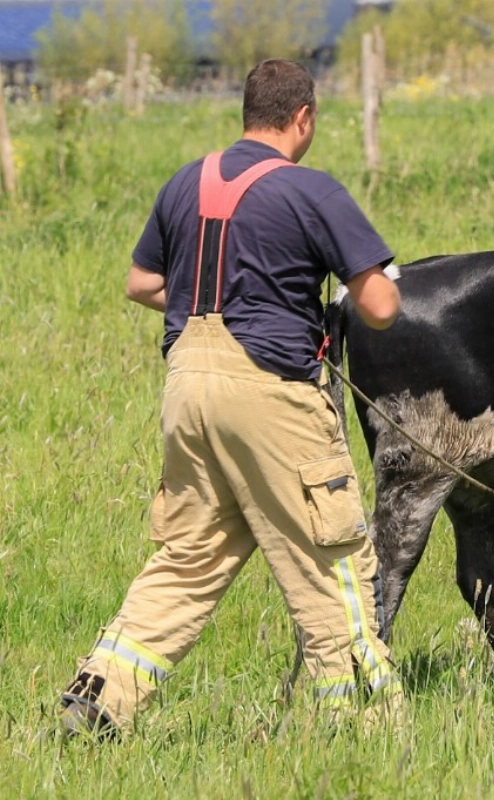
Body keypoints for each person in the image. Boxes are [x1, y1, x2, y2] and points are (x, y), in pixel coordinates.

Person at [59, 59, 403, 738]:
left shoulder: (187, 181)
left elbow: (139, 281)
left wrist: (202, 299)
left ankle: (99, 695)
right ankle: (364, 720)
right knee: (328, 552)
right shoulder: (311, 191)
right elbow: (381, 304)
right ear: (302, 118)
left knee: (191, 555)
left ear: (248, 112)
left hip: (188, 388)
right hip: (271, 396)